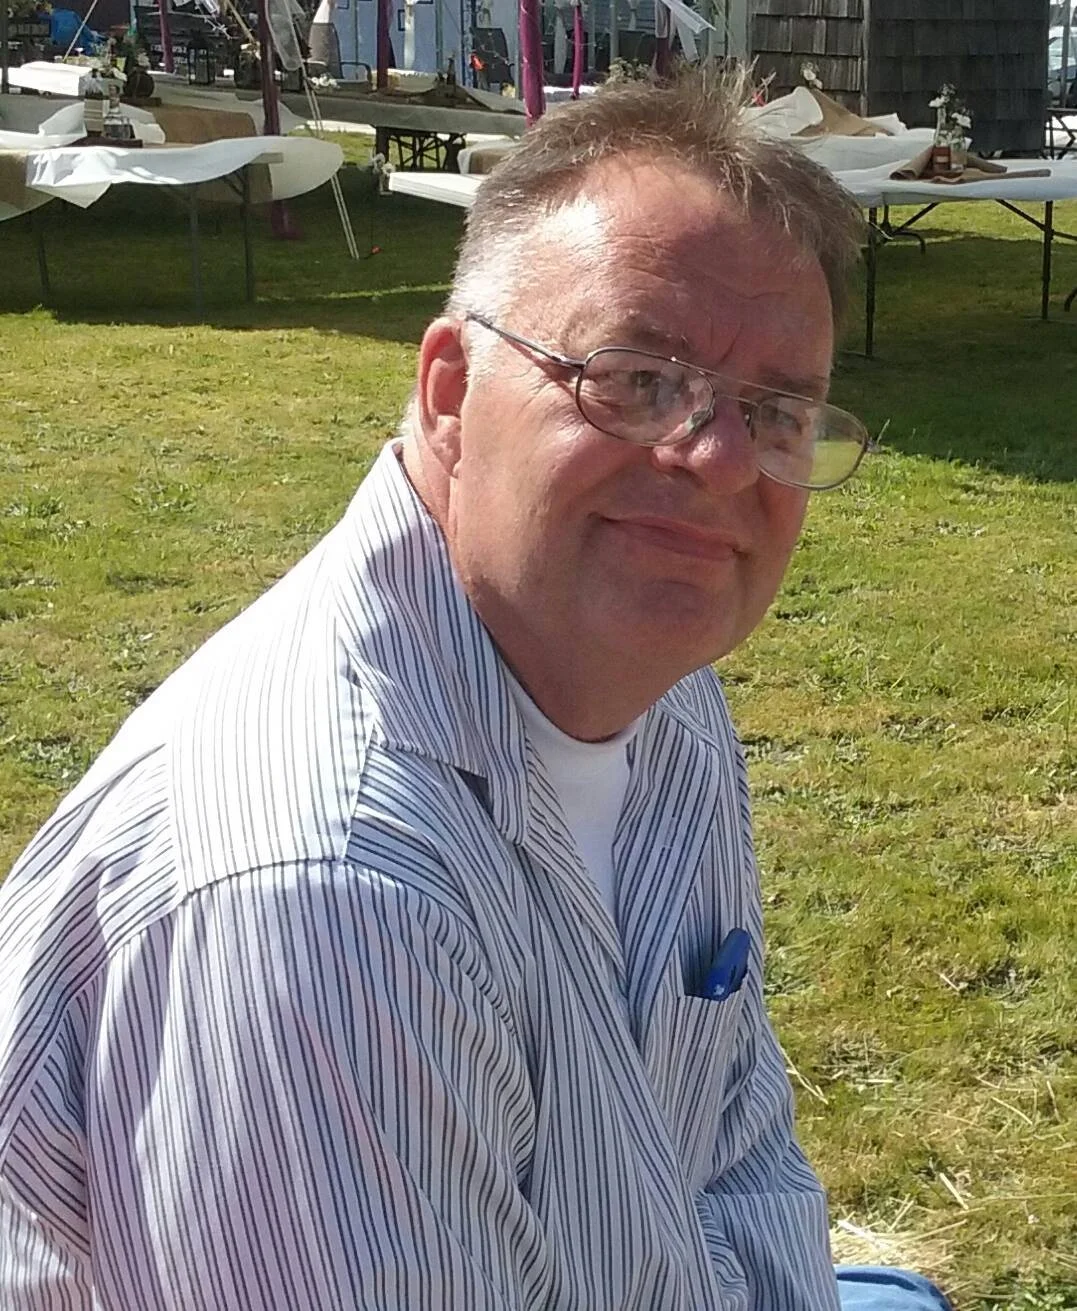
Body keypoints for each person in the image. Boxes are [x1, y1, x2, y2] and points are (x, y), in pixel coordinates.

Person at [0, 72, 951, 1311]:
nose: (720, 460)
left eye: (779, 411)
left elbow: (737, 1152)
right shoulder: (330, 903)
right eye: (638, 377)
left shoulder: (656, 696)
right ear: (450, 393)